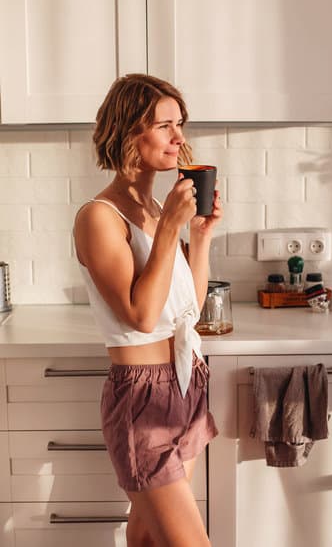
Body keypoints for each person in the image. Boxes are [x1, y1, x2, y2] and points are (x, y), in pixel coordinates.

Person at [73, 73, 223, 547]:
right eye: (164, 126)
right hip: (142, 399)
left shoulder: (154, 208)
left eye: (180, 124)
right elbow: (140, 315)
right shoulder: (99, 216)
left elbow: (186, 311)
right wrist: (167, 232)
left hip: (185, 383)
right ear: (128, 133)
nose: (179, 138)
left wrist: (199, 236)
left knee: (147, 539)